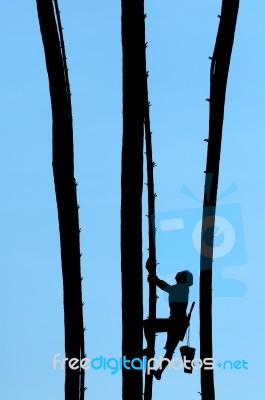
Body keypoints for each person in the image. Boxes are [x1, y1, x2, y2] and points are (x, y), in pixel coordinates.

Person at [143, 259, 193, 380]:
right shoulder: (182, 288)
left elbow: (166, 287)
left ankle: (150, 349)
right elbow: (166, 285)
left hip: (175, 322)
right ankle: (159, 371)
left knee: (148, 324)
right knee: (170, 351)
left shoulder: (182, 288)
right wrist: (155, 278)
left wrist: (154, 278)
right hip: (178, 323)